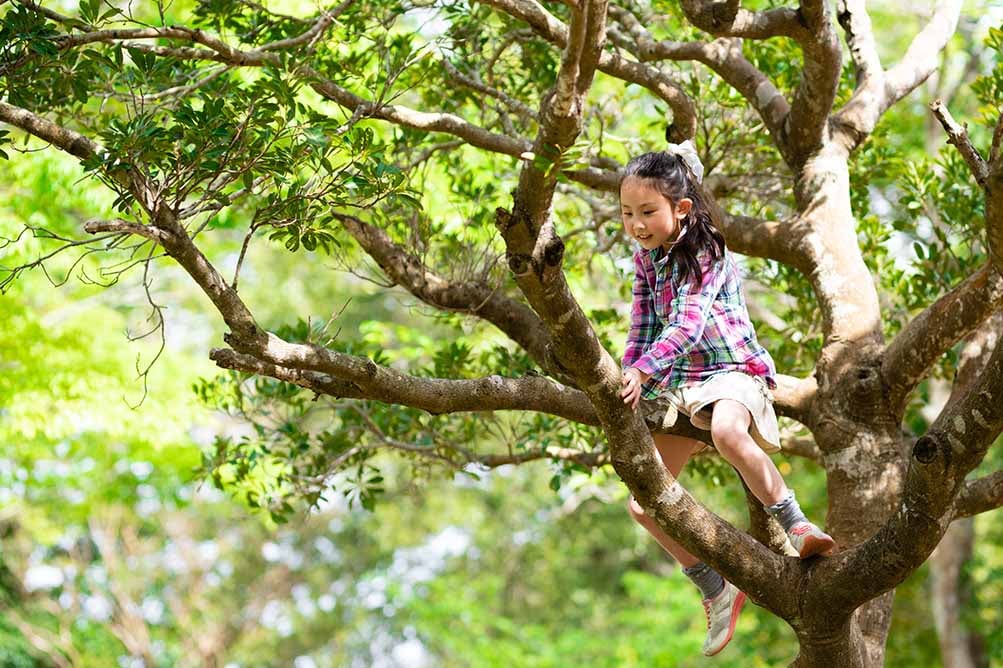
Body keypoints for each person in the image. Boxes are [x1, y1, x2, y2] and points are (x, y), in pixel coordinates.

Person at [618, 141, 836, 657]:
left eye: (648, 212)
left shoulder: (707, 249)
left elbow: (689, 323)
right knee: (641, 503)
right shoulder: (646, 260)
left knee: (726, 431)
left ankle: (795, 522)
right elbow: (643, 326)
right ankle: (716, 587)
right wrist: (630, 370)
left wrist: (645, 370)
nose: (637, 223)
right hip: (679, 382)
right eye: (628, 213)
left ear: (682, 208)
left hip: (730, 369)